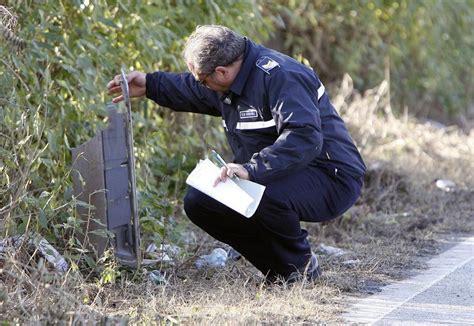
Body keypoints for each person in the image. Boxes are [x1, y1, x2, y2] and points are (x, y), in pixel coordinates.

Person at [107, 25, 366, 284]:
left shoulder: (282, 77)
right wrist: (150, 84)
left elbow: (304, 138)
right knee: (200, 202)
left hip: (332, 176)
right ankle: (280, 271)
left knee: (261, 194)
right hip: (284, 172)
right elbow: (189, 89)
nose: (202, 86)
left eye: (203, 80)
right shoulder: (229, 79)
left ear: (221, 71)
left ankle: (301, 268)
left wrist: (251, 169)